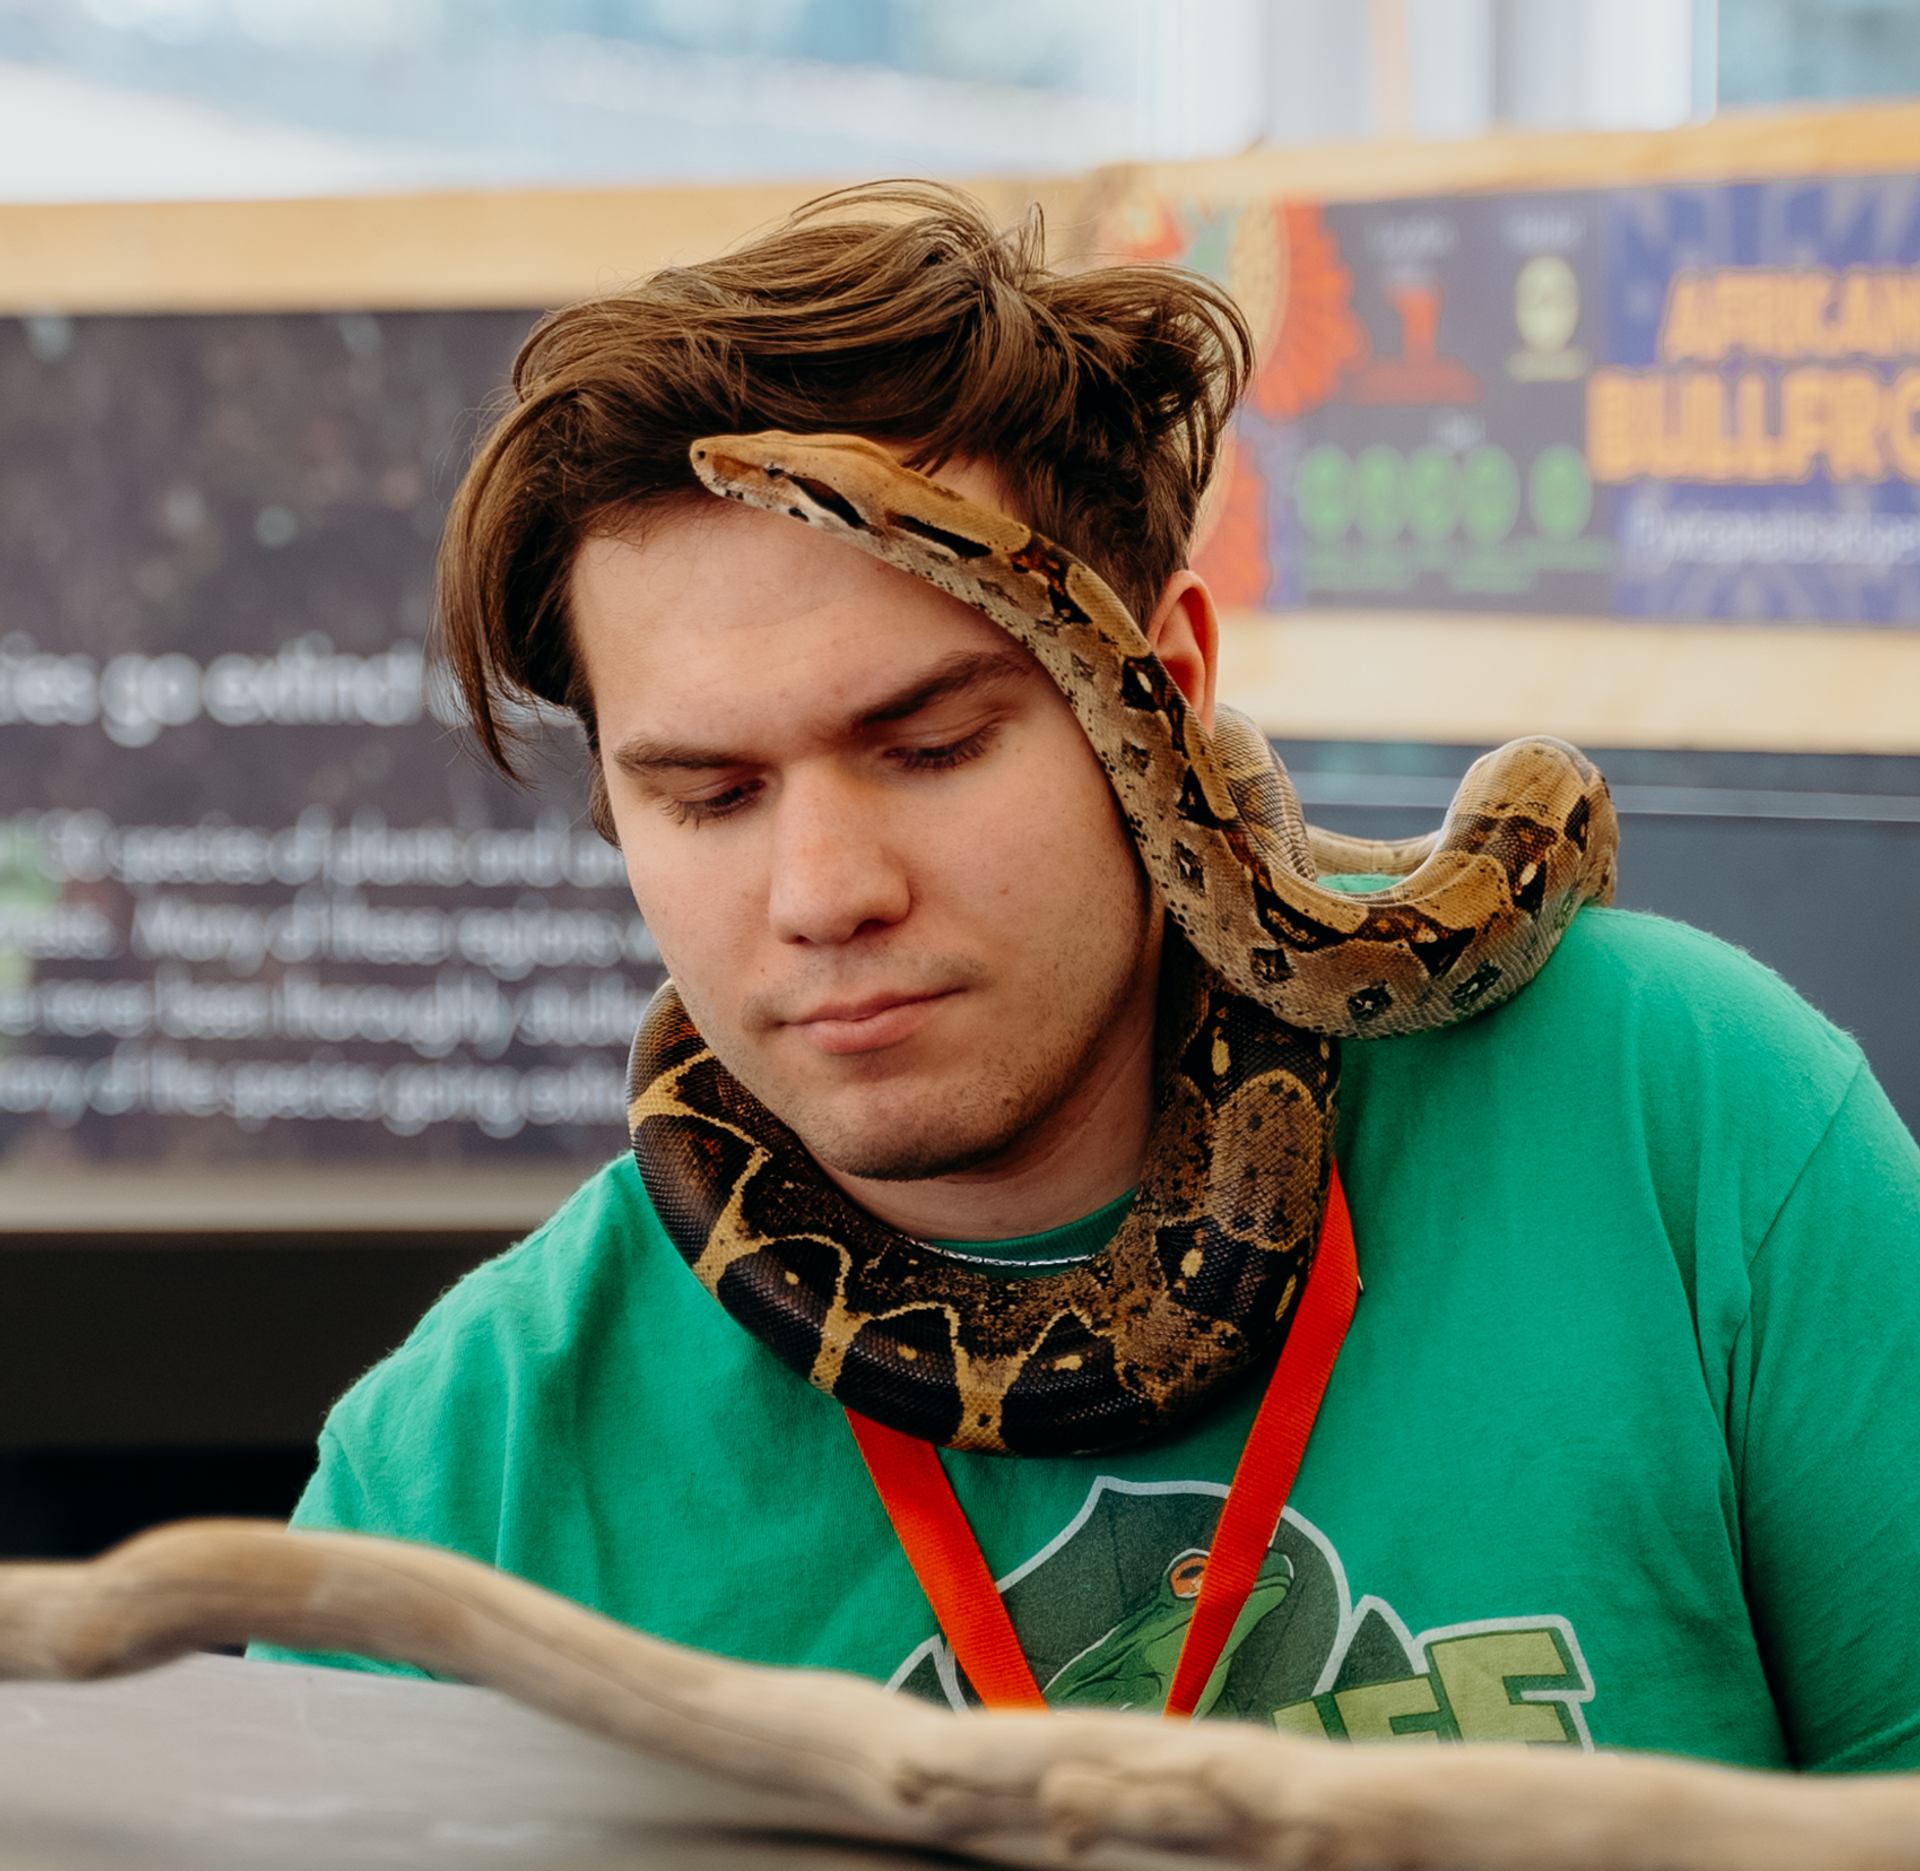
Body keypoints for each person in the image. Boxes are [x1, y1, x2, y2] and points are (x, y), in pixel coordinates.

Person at [255, 183, 1920, 1774]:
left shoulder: (1696, 1134)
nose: (825, 894)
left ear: (1166, 689)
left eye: (933, 744)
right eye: (708, 795)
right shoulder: (456, 1477)